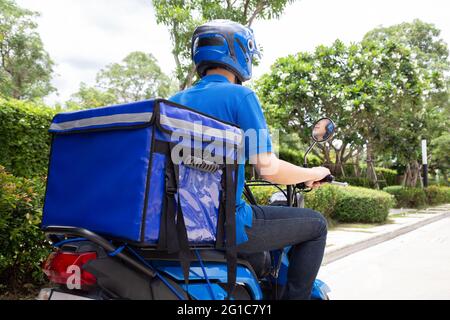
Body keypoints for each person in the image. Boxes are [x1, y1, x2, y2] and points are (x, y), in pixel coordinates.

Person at [169, 19, 330, 300]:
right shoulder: (241, 97)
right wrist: (311, 171)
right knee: (316, 225)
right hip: (229, 224)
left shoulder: (174, 100)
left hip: (179, 223)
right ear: (240, 54)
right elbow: (268, 168)